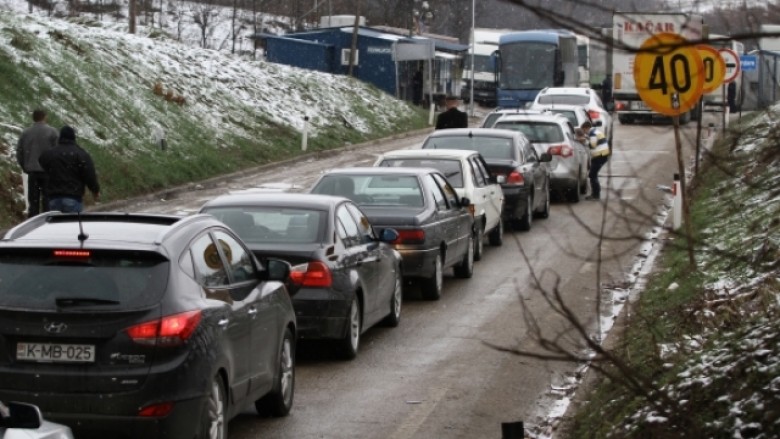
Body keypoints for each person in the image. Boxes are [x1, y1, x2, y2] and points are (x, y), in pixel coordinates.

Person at [39, 125, 100, 213]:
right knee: (72, 225)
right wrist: (95, 190)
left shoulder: (51, 153)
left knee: (56, 225)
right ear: (73, 137)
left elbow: (42, 160)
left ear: (60, 137)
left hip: (54, 197)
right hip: (73, 196)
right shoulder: (81, 154)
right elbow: (89, 174)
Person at [16, 109, 59, 218]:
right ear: (44, 117)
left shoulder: (26, 133)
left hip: (32, 171)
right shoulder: (52, 132)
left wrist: (25, 166)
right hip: (47, 172)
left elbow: (19, 152)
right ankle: (47, 221)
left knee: (33, 201)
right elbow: (57, 152)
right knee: (47, 199)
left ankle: (33, 221)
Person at [581, 120, 609, 201]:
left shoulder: (592, 133)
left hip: (599, 155)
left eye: (584, 130)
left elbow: (592, 145)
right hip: (602, 154)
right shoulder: (595, 131)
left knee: (592, 175)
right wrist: (586, 138)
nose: (584, 133)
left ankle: (596, 194)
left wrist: (584, 141)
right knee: (594, 174)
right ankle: (596, 193)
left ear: (586, 128)